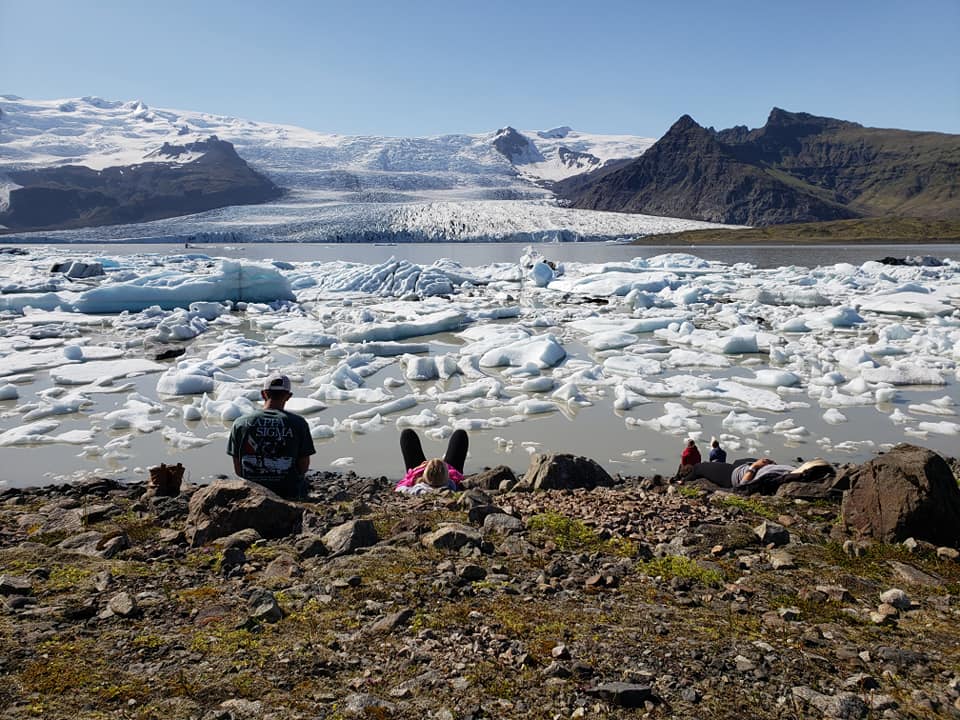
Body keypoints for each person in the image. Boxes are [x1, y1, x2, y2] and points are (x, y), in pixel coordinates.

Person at [227, 374, 316, 499]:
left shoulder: (241, 423)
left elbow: (238, 469)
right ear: (288, 396)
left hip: (252, 494)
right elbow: (303, 466)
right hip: (289, 493)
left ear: (263, 394)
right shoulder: (298, 423)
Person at [395, 428, 467, 493]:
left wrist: (415, 471)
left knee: (407, 434)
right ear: (448, 477)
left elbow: (400, 487)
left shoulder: (417, 489)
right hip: (440, 476)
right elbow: (458, 476)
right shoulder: (452, 484)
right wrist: (447, 467)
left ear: (423, 475)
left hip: (420, 476)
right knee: (460, 434)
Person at [731, 457, 796, 489]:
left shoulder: (778, 478)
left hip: (737, 475)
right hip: (754, 465)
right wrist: (772, 464)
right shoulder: (793, 470)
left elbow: (742, 487)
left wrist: (754, 466)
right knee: (737, 461)